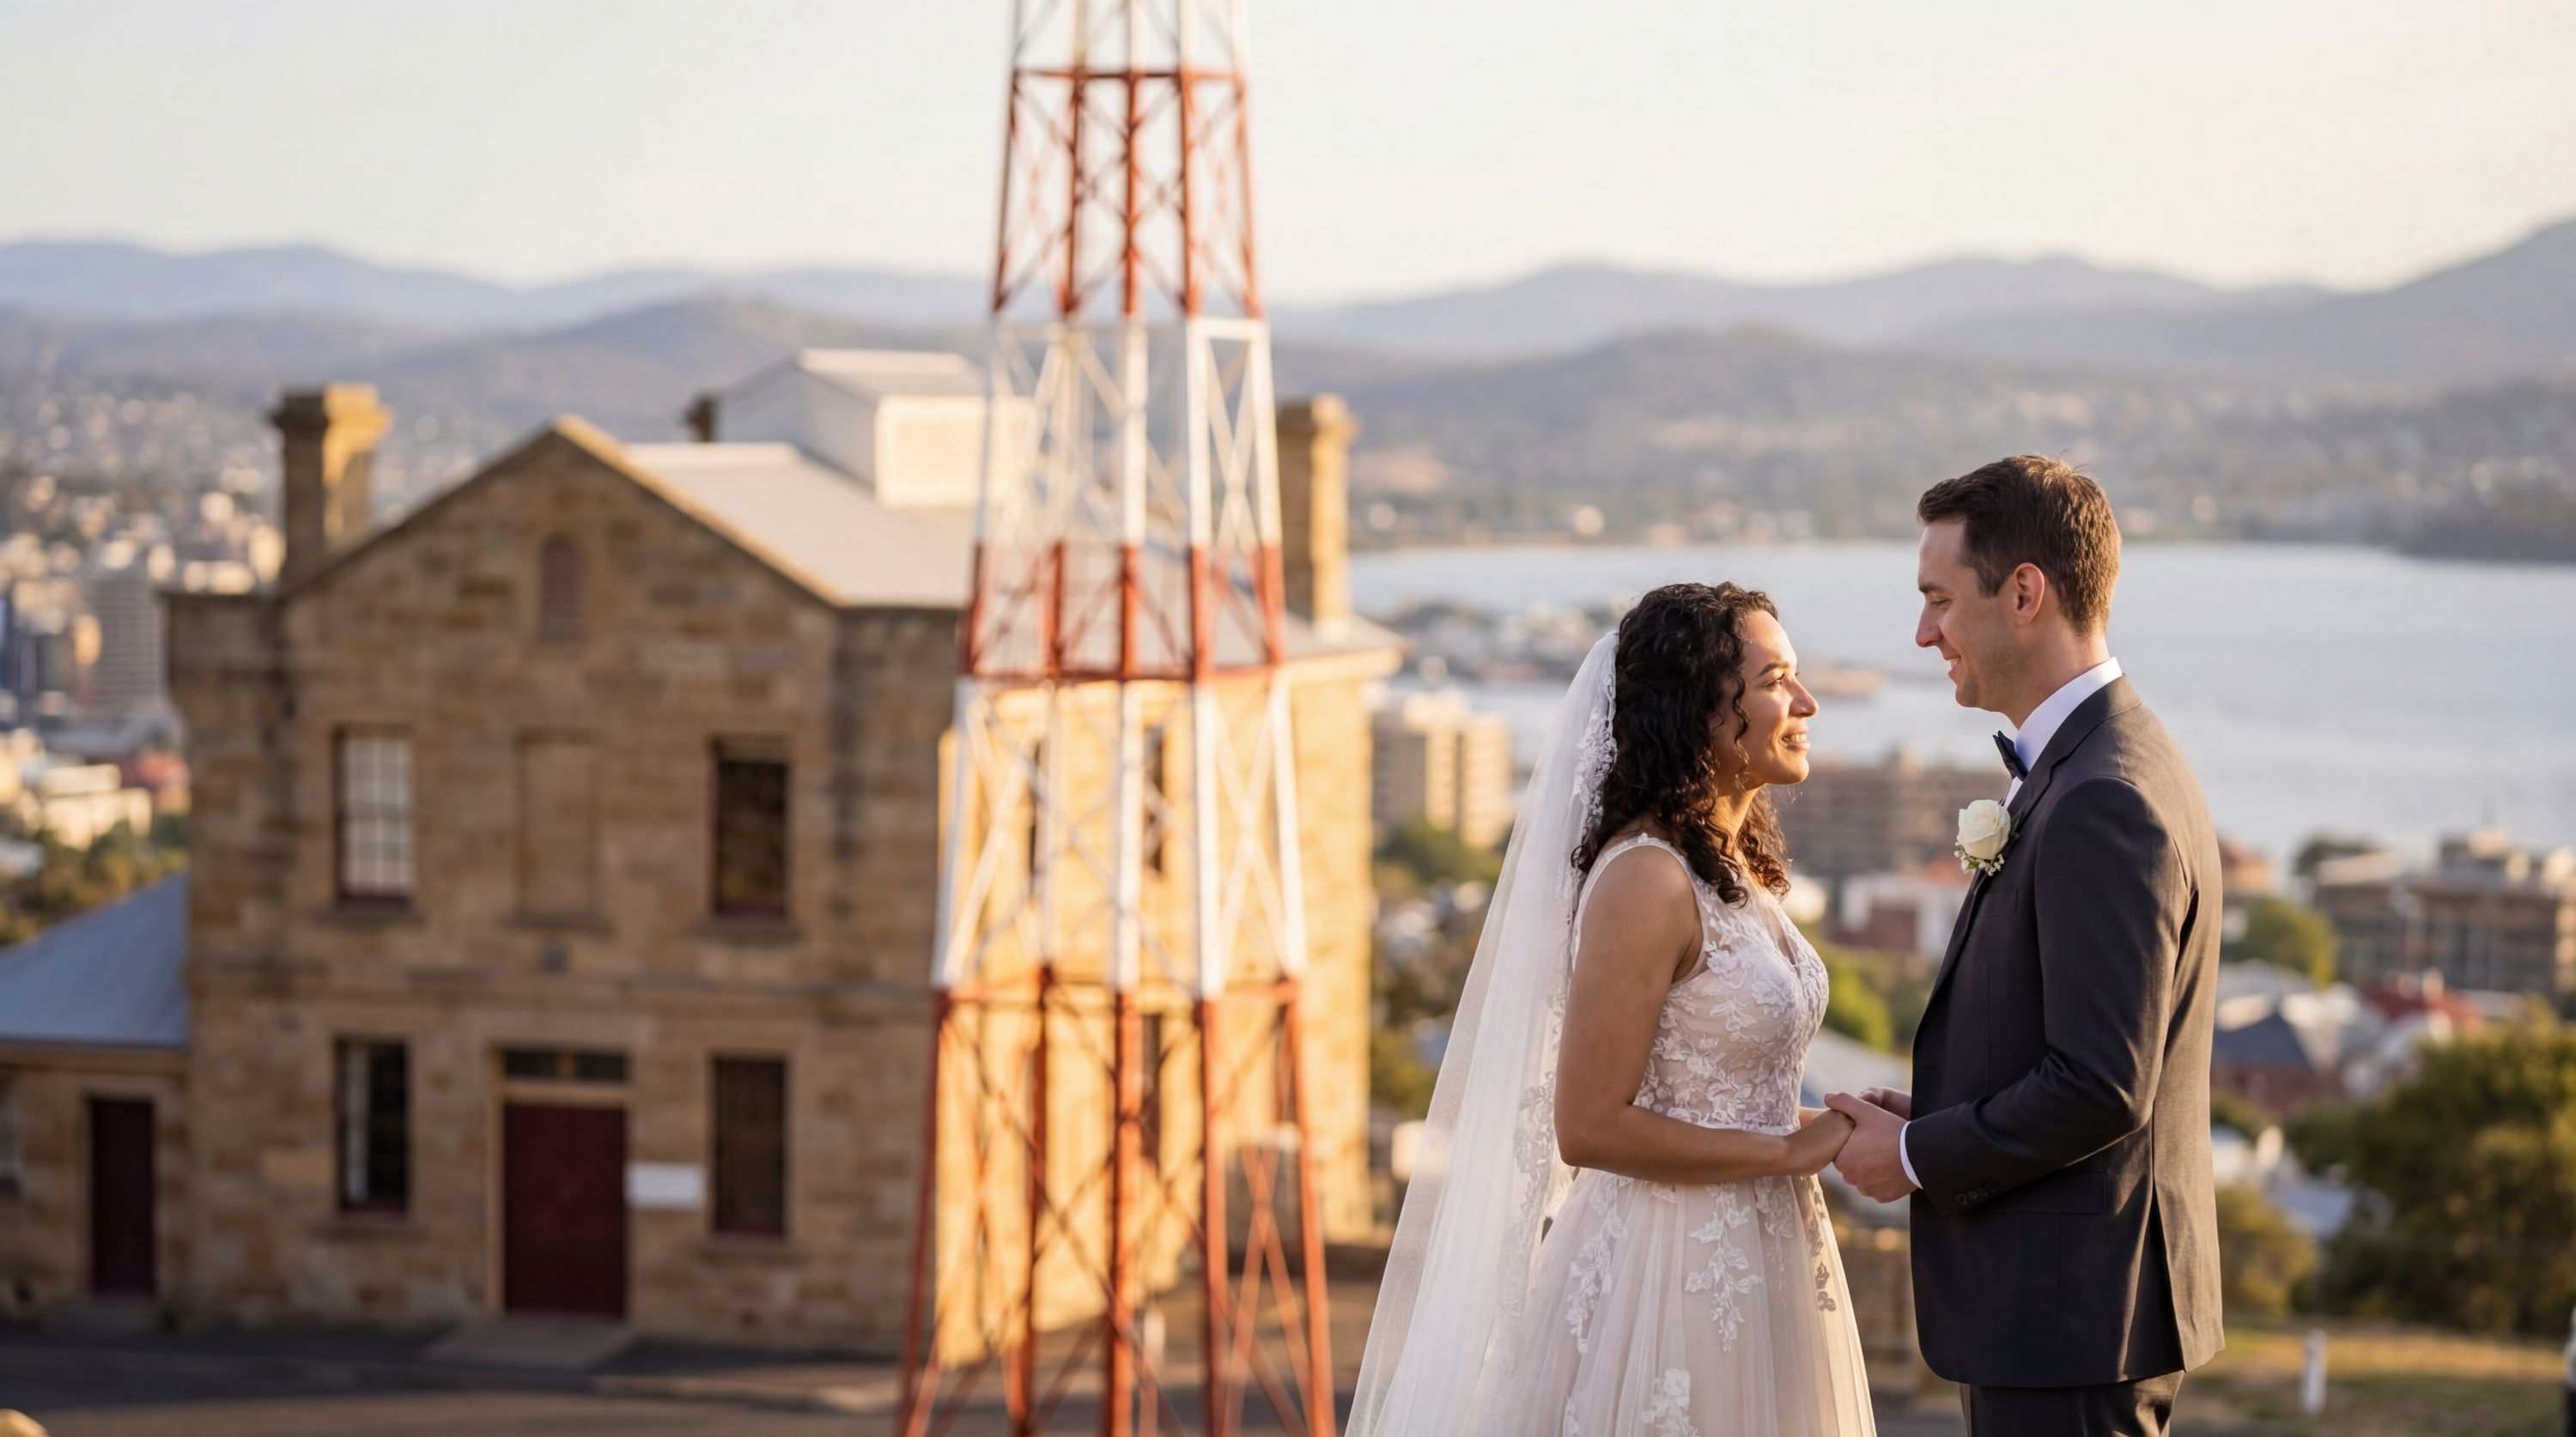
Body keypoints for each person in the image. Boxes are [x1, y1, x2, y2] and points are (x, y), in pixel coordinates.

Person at [1349, 582, 1878, 1436]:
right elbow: (1589, 1126)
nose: (1807, 702)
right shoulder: (1645, 878)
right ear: (1698, 708)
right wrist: (1787, 1147)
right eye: (1777, 679)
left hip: (1767, 1247)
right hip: (1665, 1270)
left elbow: (1719, 1083)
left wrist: (1832, 1120)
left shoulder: (1735, 872)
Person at [1824, 456, 2225, 1437]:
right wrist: (1940, 1108)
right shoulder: (2096, 762)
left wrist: (1915, 1156)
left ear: (2026, 592)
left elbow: (2101, 1083)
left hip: (2073, 1322)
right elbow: (2068, 1039)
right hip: (2063, 1312)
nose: (1924, 633)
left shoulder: (2104, 799)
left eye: (1938, 599)